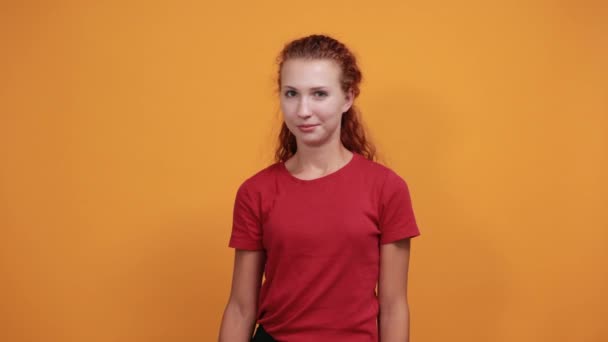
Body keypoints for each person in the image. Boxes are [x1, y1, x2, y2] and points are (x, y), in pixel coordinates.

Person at [218, 34, 421, 342]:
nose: (302, 110)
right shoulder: (255, 192)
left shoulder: (386, 188)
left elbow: (393, 307)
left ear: (348, 97)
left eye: (319, 94)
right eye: (291, 94)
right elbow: (241, 307)